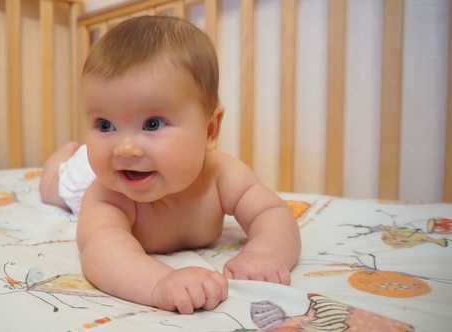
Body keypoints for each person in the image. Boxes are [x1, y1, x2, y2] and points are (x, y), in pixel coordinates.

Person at [40, 15, 301, 315]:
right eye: (105, 124)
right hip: (84, 176)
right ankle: (58, 160)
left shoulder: (222, 175)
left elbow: (272, 212)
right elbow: (100, 251)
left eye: (152, 124)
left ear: (210, 130)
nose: (125, 148)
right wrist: (160, 283)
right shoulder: (106, 194)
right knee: (55, 188)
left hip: (116, 170)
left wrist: (265, 253)